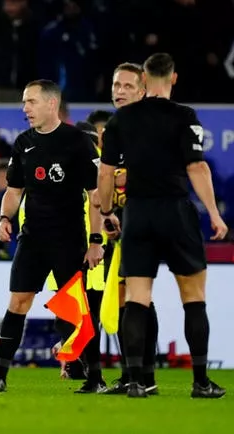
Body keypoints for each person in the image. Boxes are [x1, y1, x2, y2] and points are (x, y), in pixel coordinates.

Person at [98, 53, 227, 399]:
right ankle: (200, 382)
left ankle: (137, 381)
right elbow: (197, 168)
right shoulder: (184, 117)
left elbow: (106, 172)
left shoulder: (121, 120)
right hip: (175, 212)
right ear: (173, 79)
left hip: (138, 214)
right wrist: (214, 214)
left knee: (137, 298)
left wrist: (108, 211)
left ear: (143, 81)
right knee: (193, 297)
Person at [0, 79, 105, 394]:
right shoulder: (23, 142)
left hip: (69, 239)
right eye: (24, 102)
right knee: (18, 302)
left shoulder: (78, 141)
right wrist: (4, 217)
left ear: (52, 104)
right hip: (32, 238)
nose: (25, 109)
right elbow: (13, 189)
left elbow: (95, 196)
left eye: (31, 102)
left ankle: (95, 378)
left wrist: (95, 241)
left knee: (76, 309)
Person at [94, 63, 160, 395]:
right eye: (116, 85)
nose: (119, 91)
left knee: (136, 298)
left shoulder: (149, 126)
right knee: (130, 300)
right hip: (120, 224)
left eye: (127, 86)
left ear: (143, 90)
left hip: (143, 221)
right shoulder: (119, 127)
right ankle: (138, 375)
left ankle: (141, 375)